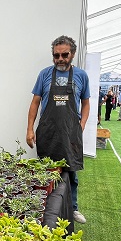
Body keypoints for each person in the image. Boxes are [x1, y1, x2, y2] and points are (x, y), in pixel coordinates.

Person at [26, 35, 90, 224]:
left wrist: (82, 124)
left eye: (64, 55)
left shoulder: (81, 76)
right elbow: (35, 102)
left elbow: (86, 103)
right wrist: (30, 129)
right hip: (48, 131)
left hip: (70, 132)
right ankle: (43, 207)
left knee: (71, 172)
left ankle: (74, 208)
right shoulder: (44, 75)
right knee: (46, 170)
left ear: (73, 54)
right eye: (56, 56)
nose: (60, 59)